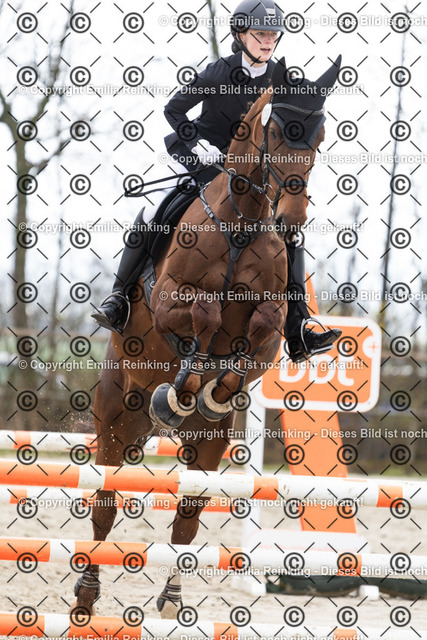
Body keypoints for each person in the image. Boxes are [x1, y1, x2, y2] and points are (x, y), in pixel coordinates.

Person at [92, 0, 341, 363]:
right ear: (240, 35)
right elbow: (174, 110)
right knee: (153, 210)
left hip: (251, 177)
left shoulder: (281, 81)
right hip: (204, 162)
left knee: (290, 234)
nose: (268, 41)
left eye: (273, 35)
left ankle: (299, 326)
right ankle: (118, 298)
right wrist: (198, 143)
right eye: (260, 34)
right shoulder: (216, 73)